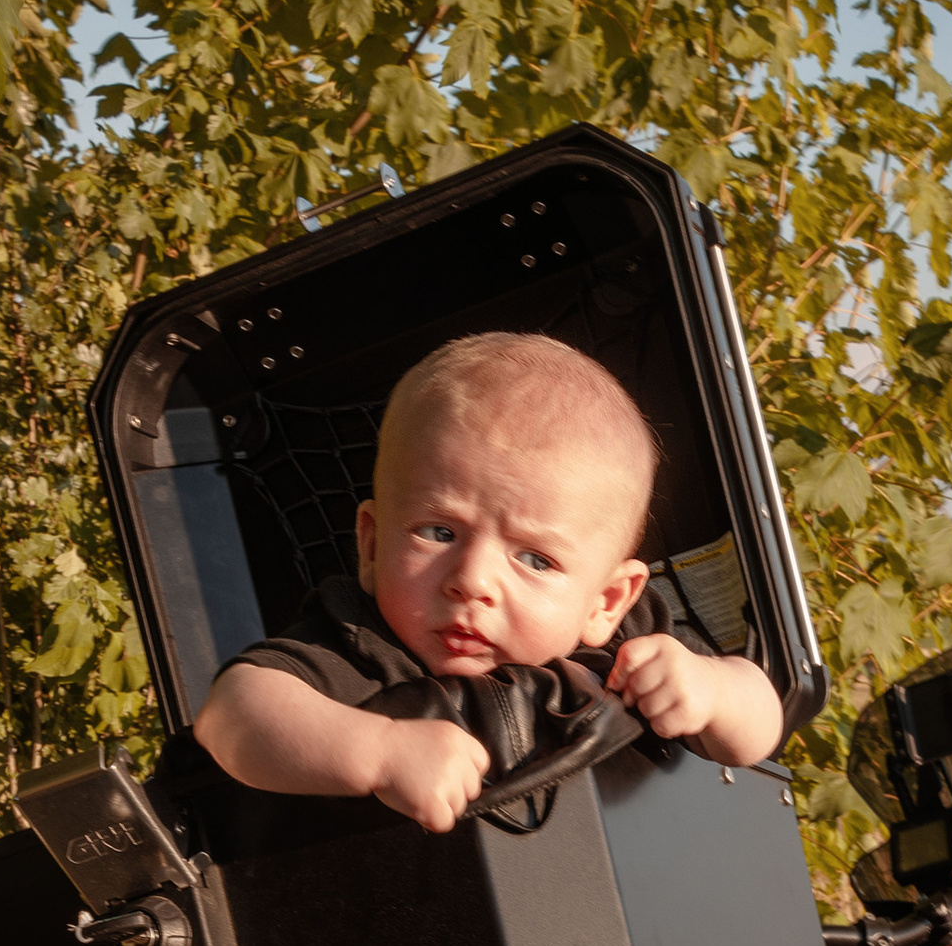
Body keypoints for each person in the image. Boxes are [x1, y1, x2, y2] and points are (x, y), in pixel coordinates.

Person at [190, 330, 784, 830]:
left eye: (535, 560)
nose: (472, 581)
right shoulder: (358, 647)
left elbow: (757, 731)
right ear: (370, 545)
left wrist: (710, 687)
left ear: (605, 601)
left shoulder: (631, 648)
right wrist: (376, 751)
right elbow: (233, 714)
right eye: (439, 533)